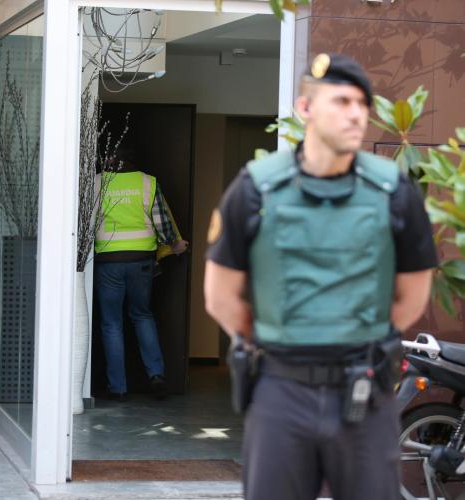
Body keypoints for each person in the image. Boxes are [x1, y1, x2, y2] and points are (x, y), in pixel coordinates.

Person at [204, 53, 438, 500]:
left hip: (364, 391)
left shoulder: (394, 191)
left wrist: (356, 335)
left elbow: (412, 294)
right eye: (342, 101)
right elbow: (220, 295)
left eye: (362, 104)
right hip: (281, 392)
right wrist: (281, 337)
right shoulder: (255, 189)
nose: (356, 114)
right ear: (305, 108)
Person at [95, 147, 188, 401]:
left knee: (111, 323)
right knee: (142, 315)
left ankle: (118, 388)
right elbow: (163, 224)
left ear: (109, 159)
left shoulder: (97, 183)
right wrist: (175, 244)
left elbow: (85, 221)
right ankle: (156, 375)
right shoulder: (147, 183)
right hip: (141, 259)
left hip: (108, 259)